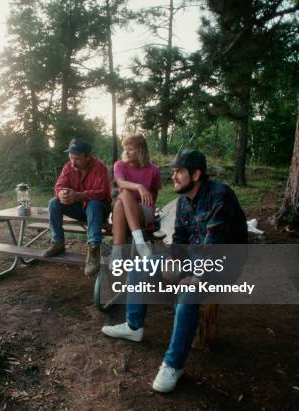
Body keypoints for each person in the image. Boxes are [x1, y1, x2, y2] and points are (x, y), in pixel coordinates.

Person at [101, 149, 248, 393]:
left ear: (196, 174)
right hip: (195, 257)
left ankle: (173, 365)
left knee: (188, 295)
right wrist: (172, 261)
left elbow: (215, 243)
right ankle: (134, 326)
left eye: (179, 172)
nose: (174, 176)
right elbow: (180, 237)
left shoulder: (220, 195)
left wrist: (196, 276)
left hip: (225, 262)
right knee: (141, 266)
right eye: (174, 172)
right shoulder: (183, 202)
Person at [43, 138, 111, 276]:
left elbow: (102, 192)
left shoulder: (99, 167)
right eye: (71, 157)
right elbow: (58, 186)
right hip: (79, 209)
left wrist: (79, 196)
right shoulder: (68, 167)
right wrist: (61, 193)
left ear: (87, 157)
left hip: (99, 210)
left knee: (93, 203)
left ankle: (94, 250)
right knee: (54, 202)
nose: (73, 162)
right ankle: (58, 243)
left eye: (77, 159)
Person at [111, 134, 162, 263]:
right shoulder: (120, 165)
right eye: (125, 149)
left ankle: (116, 253)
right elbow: (120, 183)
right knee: (124, 196)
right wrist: (139, 186)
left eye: (131, 149)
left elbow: (154, 194)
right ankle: (140, 243)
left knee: (121, 200)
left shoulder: (154, 170)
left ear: (141, 150)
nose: (126, 152)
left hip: (144, 211)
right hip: (122, 209)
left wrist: (148, 206)